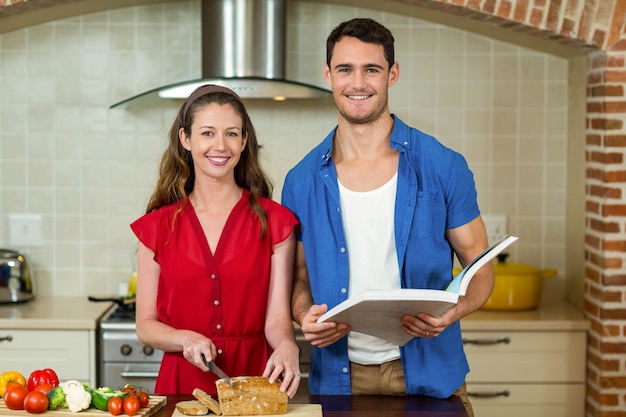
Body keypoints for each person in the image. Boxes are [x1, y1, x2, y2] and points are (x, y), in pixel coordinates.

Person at [281, 18, 493, 416]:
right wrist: (302, 316)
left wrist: (455, 311)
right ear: (328, 74)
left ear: (392, 74)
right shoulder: (301, 180)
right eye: (345, 69)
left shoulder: (443, 166)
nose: (357, 82)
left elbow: (480, 268)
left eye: (371, 69)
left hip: (430, 373)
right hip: (340, 379)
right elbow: (299, 280)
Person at [131, 84, 301, 397]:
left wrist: (288, 346)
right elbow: (145, 324)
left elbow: (276, 318)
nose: (220, 145)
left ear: (244, 140)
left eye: (232, 133)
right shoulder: (157, 227)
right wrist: (184, 339)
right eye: (207, 133)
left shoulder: (276, 222)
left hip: (256, 380)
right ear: (186, 139)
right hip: (182, 384)